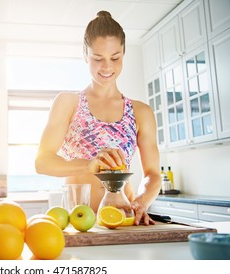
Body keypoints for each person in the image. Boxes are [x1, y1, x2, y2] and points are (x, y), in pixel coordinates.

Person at [35, 11, 161, 226]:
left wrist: (142, 202)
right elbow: (42, 162)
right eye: (97, 58)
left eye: (115, 57)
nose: (107, 67)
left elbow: (153, 175)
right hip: (78, 222)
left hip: (124, 219)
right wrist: (88, 165)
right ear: (85, 55)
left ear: (123, 54)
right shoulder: (68, 103)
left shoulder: (141, 112)